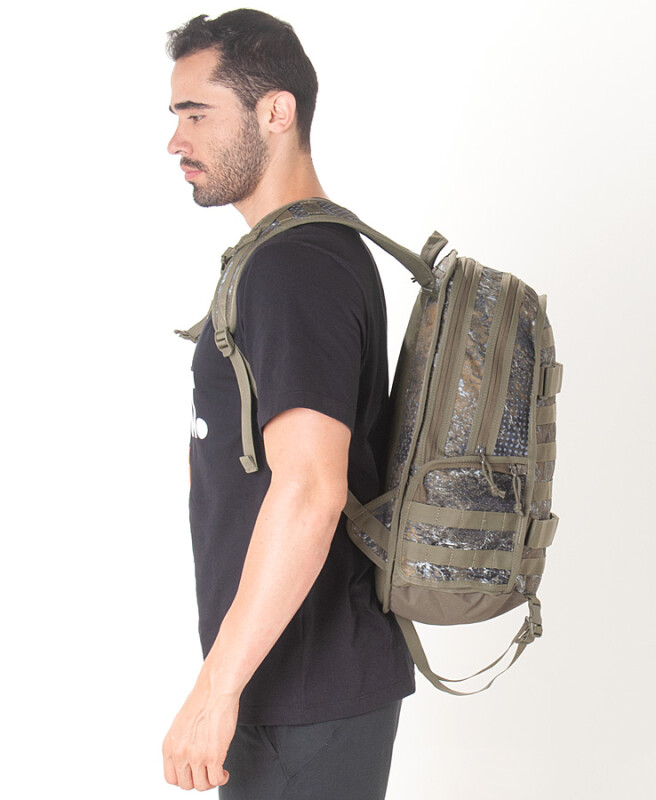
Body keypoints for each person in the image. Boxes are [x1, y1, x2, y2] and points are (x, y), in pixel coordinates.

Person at [161, 10, 415, 797]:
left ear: (277, 111)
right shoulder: (297, 254)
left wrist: (216, 691)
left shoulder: (295, 266)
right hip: (295, 684)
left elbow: (309, 487)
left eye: (197, 114)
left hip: (304, 689)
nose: (176, 141)